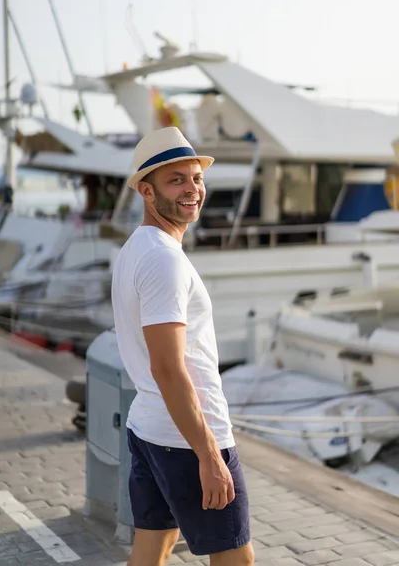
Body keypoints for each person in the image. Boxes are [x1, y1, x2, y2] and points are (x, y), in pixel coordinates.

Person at [111, 127, 254, 566]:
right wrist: (210, 456)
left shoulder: (138, 247)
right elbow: (168, 368)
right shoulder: (163, 259)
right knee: (236, 559)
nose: (193, 189)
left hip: (151, 429)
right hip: (188, 439)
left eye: (196, 178)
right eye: (177, 180)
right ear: (147, 192)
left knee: (153, 550)